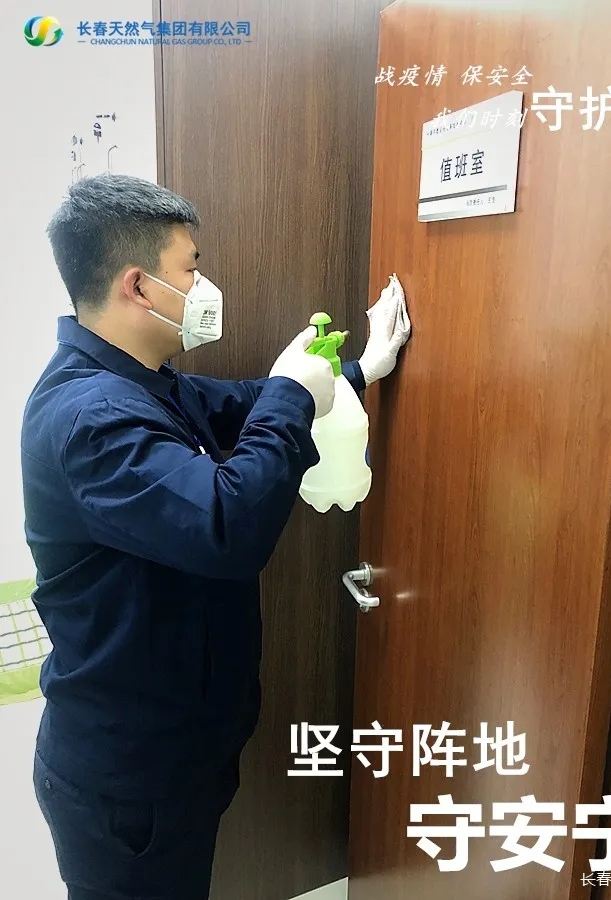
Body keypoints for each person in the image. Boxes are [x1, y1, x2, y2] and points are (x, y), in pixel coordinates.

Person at [21, 174, 410, 900]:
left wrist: (358, 371)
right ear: (139, 285)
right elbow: (224, 525)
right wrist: (292, 392)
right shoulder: (92, 417)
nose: (203, 287)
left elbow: (244, 406)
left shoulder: (143, 382)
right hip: (129, 780)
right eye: (191, 268)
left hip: (174, 755)